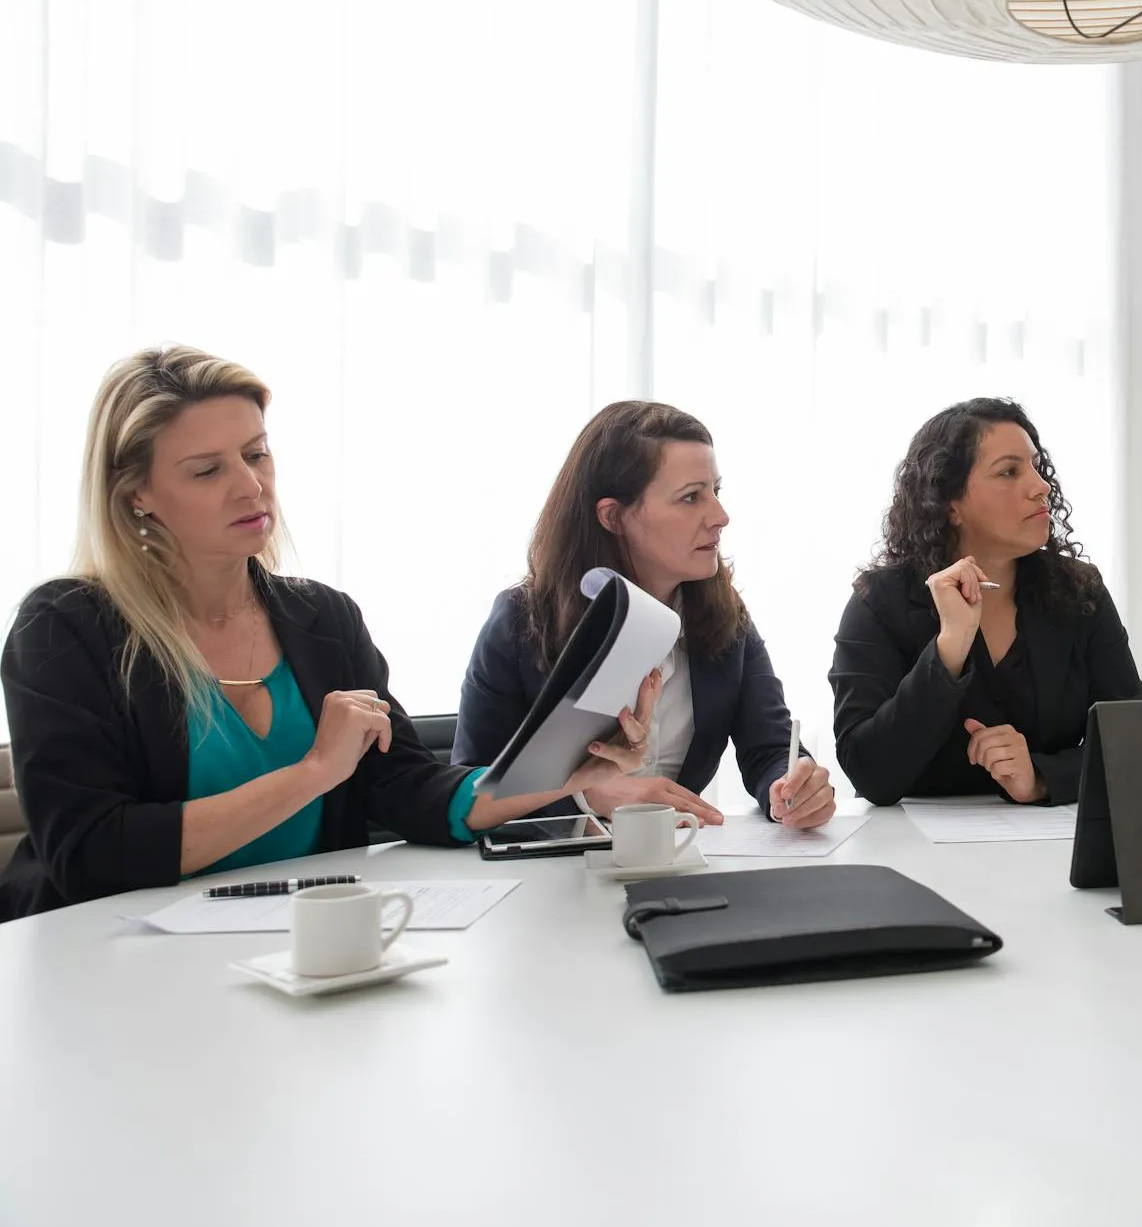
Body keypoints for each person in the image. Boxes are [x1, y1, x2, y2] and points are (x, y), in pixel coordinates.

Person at [0, 347, 653, 922]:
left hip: (295, 948)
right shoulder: (64, 629)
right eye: (207, 470)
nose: (251, 485)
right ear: (135, 493)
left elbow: (405, 788)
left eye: (257, 453)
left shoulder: (322, 619)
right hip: (103, 963)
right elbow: (90, 852)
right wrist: (314, 771)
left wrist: (568, 772)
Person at [455, 401, 837, 829]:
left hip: (677, 867)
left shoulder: (725, 614)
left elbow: (769, 749)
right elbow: (466, 790)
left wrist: (793, 787)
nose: (720, 517)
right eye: (691, 497)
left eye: (716, 491)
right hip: (554, 877)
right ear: (613, 516)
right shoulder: (520, 621)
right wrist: (589, 795)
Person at [830, 398, 1142, 806]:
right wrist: (950, 647)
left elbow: (1134, 743)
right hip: (911, 851)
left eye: (1036, 467)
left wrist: (1042, 779)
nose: (1040, 486)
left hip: (1053, 845)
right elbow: (869, 771)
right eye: (1009, 472)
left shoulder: (1080, 592)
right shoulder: (879, 601)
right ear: (950, 503)